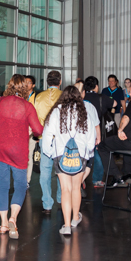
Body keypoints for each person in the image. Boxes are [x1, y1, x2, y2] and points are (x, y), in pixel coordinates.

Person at [0, 74, 43, 239]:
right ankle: (13, 218)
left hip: (0, 148)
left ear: (9, 86)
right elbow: (38, 130)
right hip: (18, 150)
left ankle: (3, 224)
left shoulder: (0, 102)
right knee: (21, 185)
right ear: (25, 88)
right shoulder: (27, 106)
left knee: (2, 185)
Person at [40, 81, 100, 235]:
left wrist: (48, 151)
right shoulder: (84, 111)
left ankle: (66, 226)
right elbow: (91, 136)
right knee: (76, 188)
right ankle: (75, 218)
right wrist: (89, 152)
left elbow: (47, 134)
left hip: (60, 154)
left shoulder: (57, 111)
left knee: (65, 189)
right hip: (80, 155)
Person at [29, 70, 64, 215]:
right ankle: (62, 200)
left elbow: (33, 117)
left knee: (45, 172)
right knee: (62, 171)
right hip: (61, 140)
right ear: (60, 82)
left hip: (44, 138)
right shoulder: (64, 96)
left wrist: (36, 134)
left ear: (47, 82)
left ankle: (47, 204)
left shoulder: (38, 96)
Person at [83, 76, 112, 187]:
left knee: (83, 156)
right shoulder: (102, 97)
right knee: (98, 155)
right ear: (96, 86)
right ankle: (97, 180)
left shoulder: (81, 98)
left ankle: (81, 178)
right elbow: (114, 104)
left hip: (82, 132)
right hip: (96, 131)